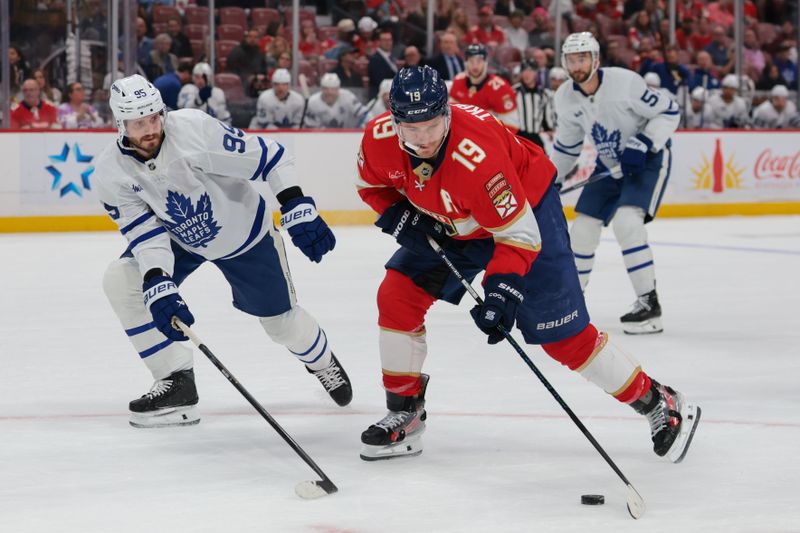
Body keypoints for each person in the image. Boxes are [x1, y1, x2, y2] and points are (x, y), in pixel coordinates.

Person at [355, 66, 700, 464]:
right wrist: (397, 215)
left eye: (432, 126)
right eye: (412, 130)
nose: (424, 139)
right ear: (394, 121)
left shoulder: (477, 155)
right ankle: (406, 411)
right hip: (453, 222)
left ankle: (657, 399)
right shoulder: (379, 139)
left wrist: (501, 291)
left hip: (527, 215)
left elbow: (517, 235)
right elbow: (371, 186)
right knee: (397, 296)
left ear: (446, 112)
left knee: (563, 338)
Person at [95, 74, 351, 428]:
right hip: (180, 239)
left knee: (282, 326)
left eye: (154, 117)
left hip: (244, 235)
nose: (151, 128)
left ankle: (322, 362)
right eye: (139, 123)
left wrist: (295, 202)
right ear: (120, 124)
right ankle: (176, 380)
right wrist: (157, 278)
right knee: (122, 281)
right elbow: (144, 232)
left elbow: (271, 157)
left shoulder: (193, 131)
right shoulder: (111, 172)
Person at [551, 33, 680, 335]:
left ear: (596, 59)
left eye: (583, 58)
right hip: (610, 164)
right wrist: (551, 179)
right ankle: (572, 302)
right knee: (582, 229)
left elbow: (669, 110)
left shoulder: (625, 82)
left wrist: (645, 141)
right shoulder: (565, 97)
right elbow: (567, 147)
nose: (577, 65)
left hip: (647, 160)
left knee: (626, 222)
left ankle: (649, 304)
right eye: (572, 59)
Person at [449, 43, 519, 130]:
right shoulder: (458, 81)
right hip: (463, 133)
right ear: (466, 63)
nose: (475, 66)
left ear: (485, 62)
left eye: (479, 61)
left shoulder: (501, 88)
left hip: (488, 135)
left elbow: (511, 126)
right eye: (471, 61)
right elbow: (452, 115)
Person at [512, 59, 553, 148]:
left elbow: (546, 118)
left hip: (536, 137)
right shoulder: (513, 92)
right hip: (518, 137)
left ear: (536, 73)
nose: (527, 74)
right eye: (524, 70)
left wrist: (549, 130)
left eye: (530, 70)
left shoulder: (544, 94)